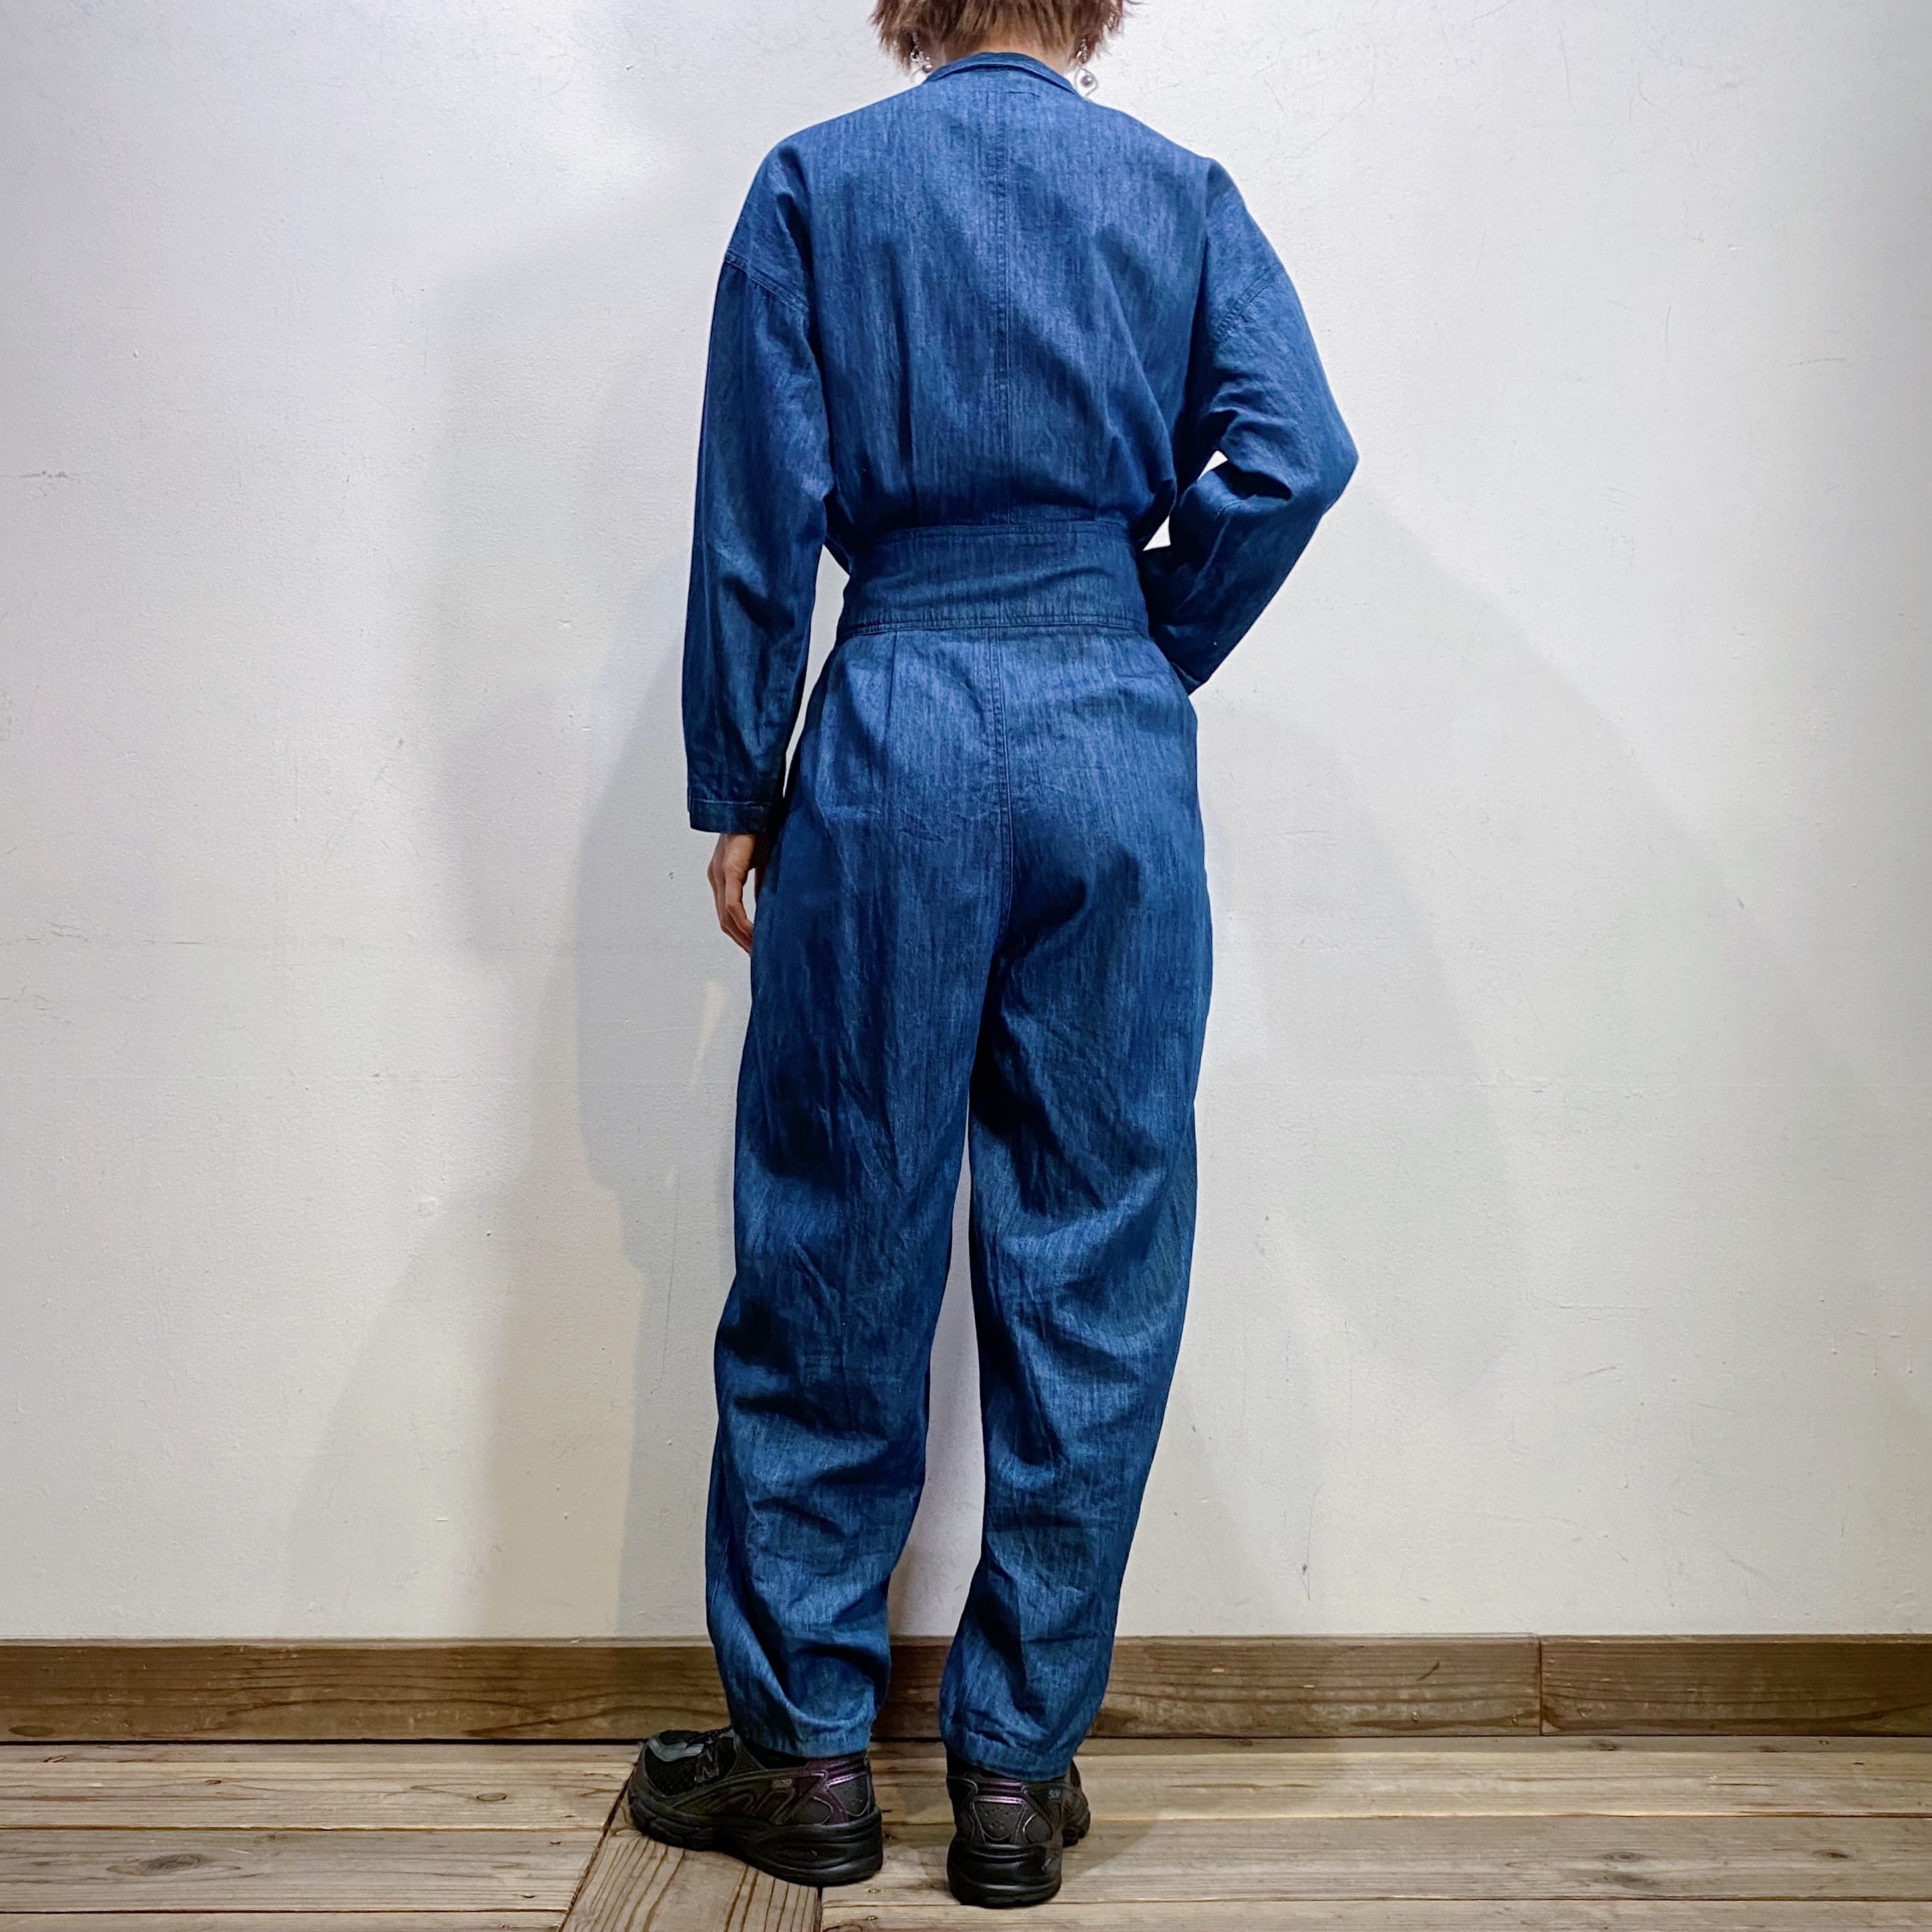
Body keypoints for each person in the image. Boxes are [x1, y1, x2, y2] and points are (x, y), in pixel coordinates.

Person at [624, 0, 1356, 1908]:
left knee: (837, 1223)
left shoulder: (819, 186)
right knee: (1094, 1242)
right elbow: (1295, 451)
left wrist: (740, 774)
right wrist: (1134, 636)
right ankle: (1015, 1776)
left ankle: (806, 1764)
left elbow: (755, 513)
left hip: (898, 730)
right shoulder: (1179, 194)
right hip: (1109, 741)